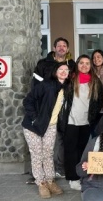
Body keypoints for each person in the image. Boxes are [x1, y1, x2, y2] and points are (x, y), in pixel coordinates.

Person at [22, 62, 69, 199]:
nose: (63, 71)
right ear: (55, 71)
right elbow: (27, 101)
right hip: (33, 126)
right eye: (61, 69)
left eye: (66, 69)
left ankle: (50, 180)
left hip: (51, 126)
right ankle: (41, 182)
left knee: (48, 153)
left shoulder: (65, 88)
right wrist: (35, 119)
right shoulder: (46, 85)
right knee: (37, 153)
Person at [32, 37, 77, 179]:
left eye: (64, 46)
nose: (62, 48)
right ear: (54, 48)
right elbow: (35, 86)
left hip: (63, 107)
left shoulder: (72, 65)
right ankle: (40, 173)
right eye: (59, 46)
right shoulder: (43, 64)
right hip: (45, 108)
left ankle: (58, 168)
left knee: (61, 138)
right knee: (43, 140)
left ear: (68, 49)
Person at [61, 55, 103, 191]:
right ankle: (72, 178)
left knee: (82, 150)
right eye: (81, 63)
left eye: (87, 63)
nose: (84, 66)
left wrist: (92, 115)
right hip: (71, 121)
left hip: (86, 122)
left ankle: (80, 175)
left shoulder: (95, 81)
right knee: (70, 151)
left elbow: (100, 100)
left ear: (90, 66)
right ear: (77, 64)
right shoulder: (69, 79)